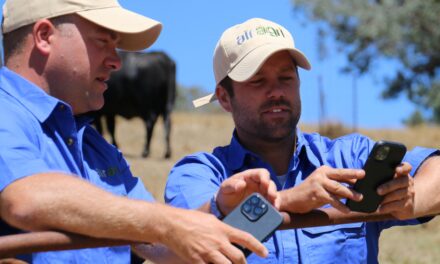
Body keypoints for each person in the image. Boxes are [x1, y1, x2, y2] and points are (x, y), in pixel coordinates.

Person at [0, 1, 279, 263]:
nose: (116, 61)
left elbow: (166, 245)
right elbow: (26, 199)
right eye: (103, 41)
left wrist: (268, 206)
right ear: (45, 36)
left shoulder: (94, 146)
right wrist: (164, 224)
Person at [165, 17, 440, 263]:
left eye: (286, 77)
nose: (276, 91)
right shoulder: (199, 174)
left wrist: (409, 201)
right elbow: (186, 245)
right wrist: (285, 202)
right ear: (224, 97)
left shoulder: (349, 158)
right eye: (257, 81)